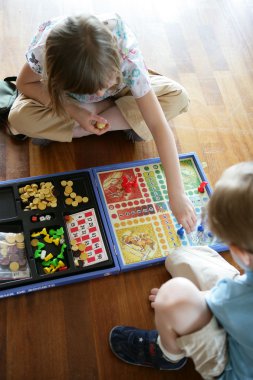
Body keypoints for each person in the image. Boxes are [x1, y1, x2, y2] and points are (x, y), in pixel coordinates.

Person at [8, 13, 196, 233]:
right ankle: (122, 121)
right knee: (18, 117)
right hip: (77, 104)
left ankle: (75, 129)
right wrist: (74, 109)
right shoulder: (44, 52)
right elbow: (24, 83)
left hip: (120, 93)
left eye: (106, 85)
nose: (99, 93)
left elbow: (158, 125)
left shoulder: (127, 56)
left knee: (177, 96)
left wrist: (177, 194)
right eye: (90, 90)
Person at [109, 161, 253, 380]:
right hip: (241, 313)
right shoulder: (239, 293)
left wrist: (181, 304)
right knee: (181, 256)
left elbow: (229, 301)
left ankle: (167, 355)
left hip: (231, 365)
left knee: (172, 296)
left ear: (243, 255)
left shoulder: (236, 298)